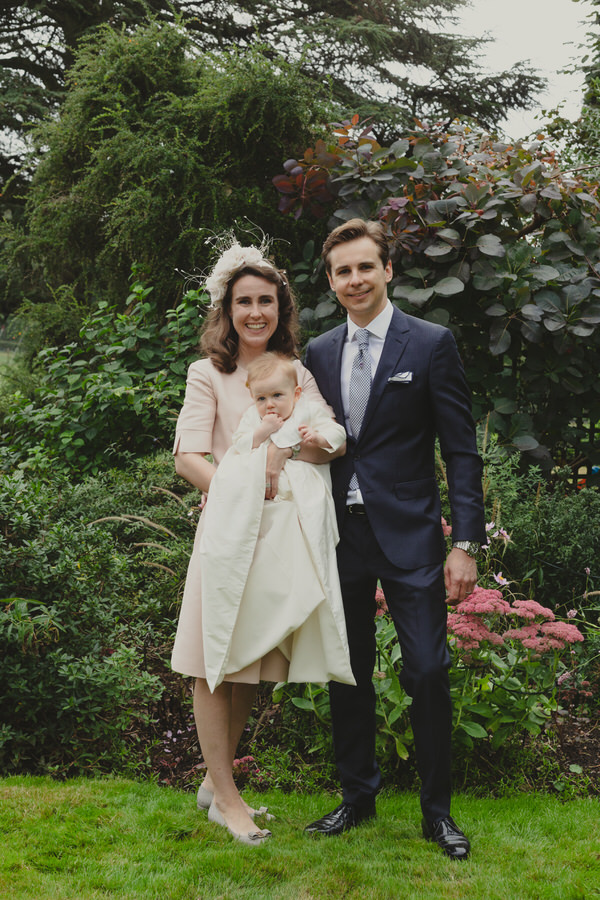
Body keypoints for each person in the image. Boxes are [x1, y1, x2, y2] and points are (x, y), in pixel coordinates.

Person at [303, 218, 486, 860]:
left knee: (428, 671)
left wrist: (465, 543)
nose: (354, 279)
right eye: (342, 271)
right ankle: (358, 799)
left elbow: (462, 452)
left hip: (411, 539)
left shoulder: (431, 343)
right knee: (346, 673)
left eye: (364, 267)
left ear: (387, 272)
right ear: (331, 282)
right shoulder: (319, 352)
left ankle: (437, 812)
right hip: (339, 537)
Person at [171, 240, 348, 847]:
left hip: (276, 541)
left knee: (249, 662)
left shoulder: (295, 373)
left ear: (281, 308)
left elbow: (329, 440)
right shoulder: (208, 374)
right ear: (228, 307)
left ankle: (216, 784)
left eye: (265, 301)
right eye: (243, 301)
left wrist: (288, 448)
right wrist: (235, 490)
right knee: (212, 661)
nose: (254, 312)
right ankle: (226, 796)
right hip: (227, 532)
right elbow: (187, 455)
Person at [199, 350, 353, 694]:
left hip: (302, 495)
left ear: (295, 393)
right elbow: (239, 448)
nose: (270, 404)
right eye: (262, 398)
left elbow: (338, 434)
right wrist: (262, 433)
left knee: (303, 546)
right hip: (265, 503)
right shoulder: (253, 419)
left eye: (278, 396)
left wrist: (316, 438)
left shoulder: (307, 410)